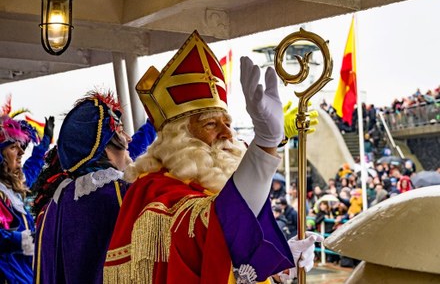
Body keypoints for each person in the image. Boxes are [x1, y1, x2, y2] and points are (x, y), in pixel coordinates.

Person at [104, 30, 323, 283]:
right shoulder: (155, 192)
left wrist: (279, 263)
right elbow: (217, 226)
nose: (227, 133)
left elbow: (234, 263)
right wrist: (265, 143)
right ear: (179, 136)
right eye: (211, 124)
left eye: (227, 122)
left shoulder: (212, 183)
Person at [33, 91, 156, 284]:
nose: (129, 139)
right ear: (105, 147)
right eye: (121, 131)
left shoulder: (51, 209)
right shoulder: (121, 194)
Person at [0, 115, 39, 283]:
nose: (22, 152)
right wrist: (28, 239)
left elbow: (31, 170)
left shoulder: (10, 190)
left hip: (24, 272)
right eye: (14, 147)